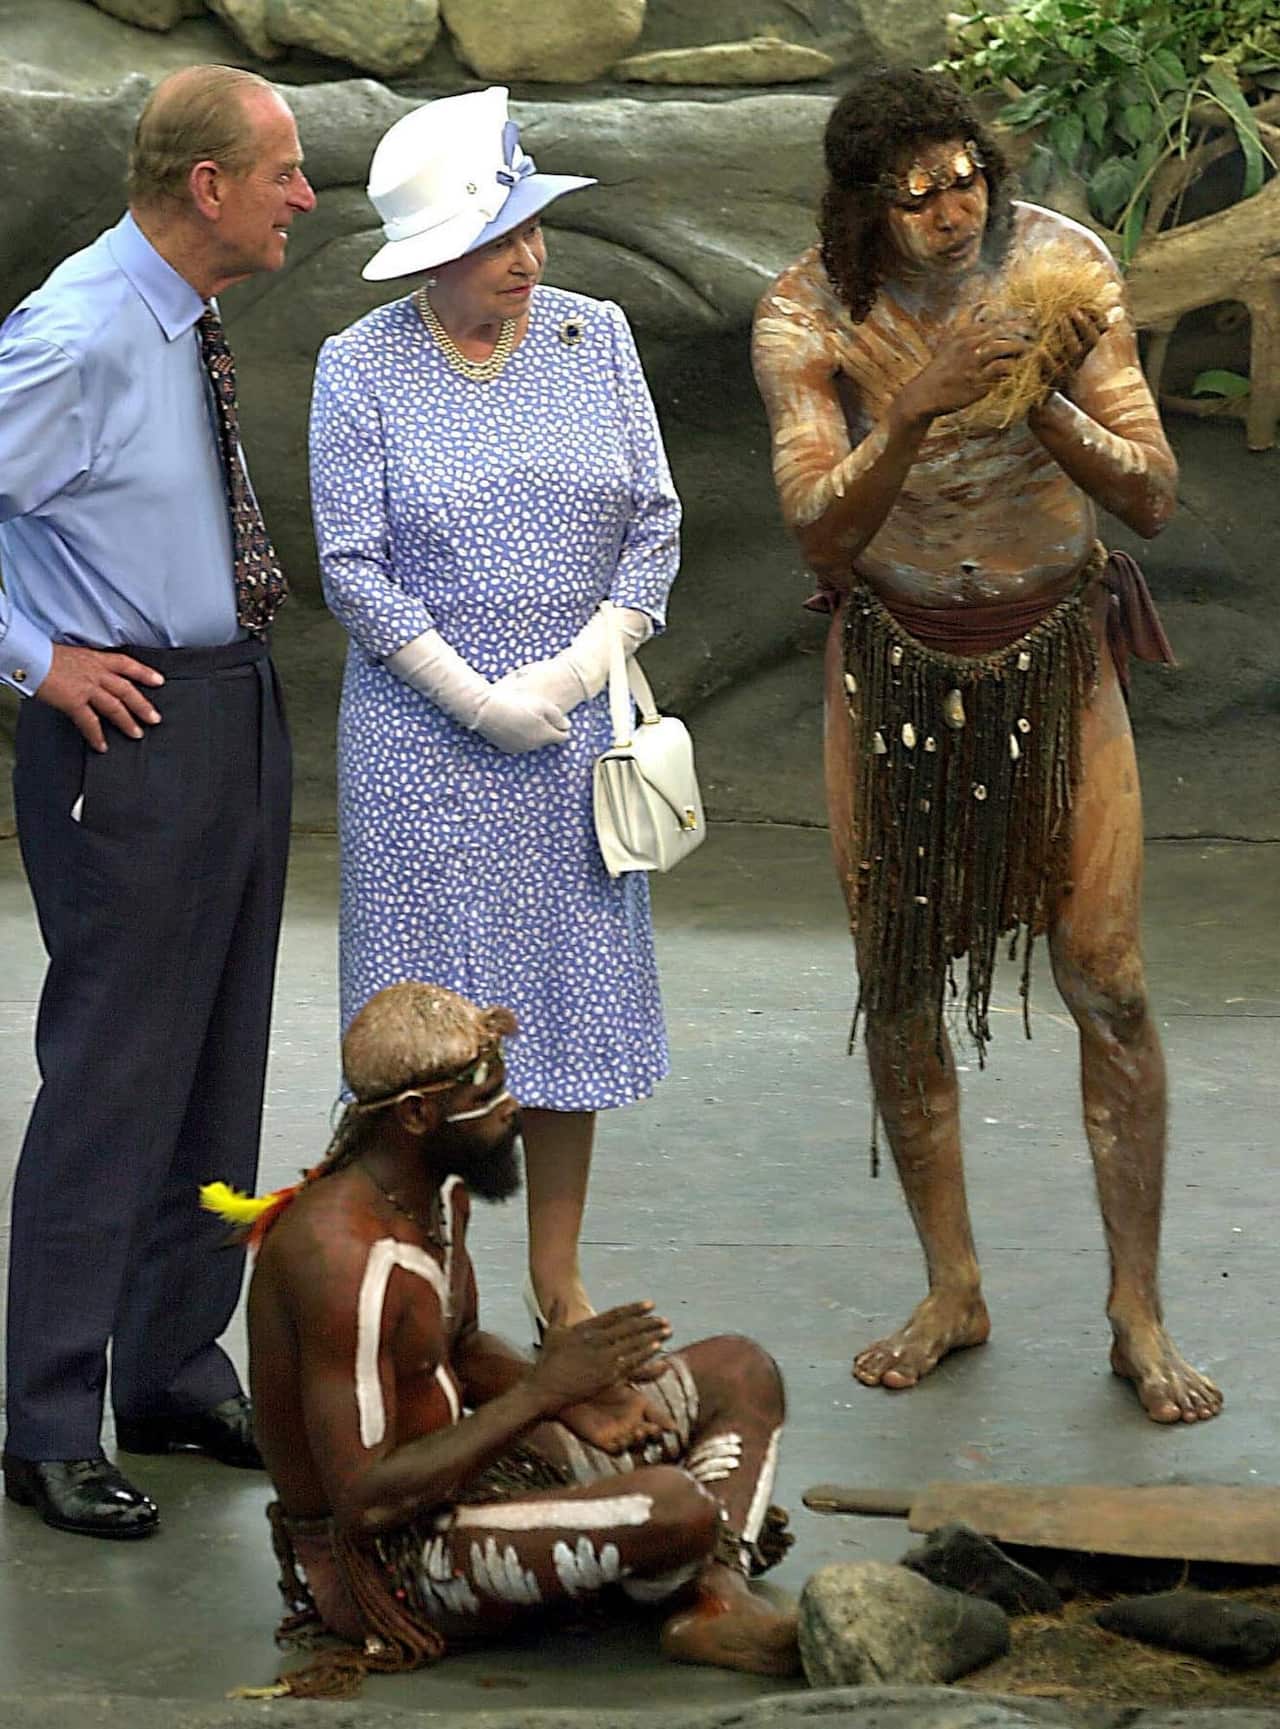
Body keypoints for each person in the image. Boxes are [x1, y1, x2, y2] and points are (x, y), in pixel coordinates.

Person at [751, 66, 1222, 1425]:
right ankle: (953, 1283)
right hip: (895, 659)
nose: (955, 210)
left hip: (1056, 653)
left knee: (1112, 979)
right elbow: (819, 533)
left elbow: (1155, 495)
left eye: (969, 179)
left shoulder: (1064, 271)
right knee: (898, 982)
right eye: (920, 191)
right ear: (866, 205)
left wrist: (1034, 398)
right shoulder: (806, 312)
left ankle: (1136, 1309)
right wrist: (911, 408)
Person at [310, 86, 681, 1340]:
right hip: (422, 747)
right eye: (498, 240)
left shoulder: (597, 335)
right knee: (431, 1033)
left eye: (533, 231)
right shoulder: (357, 365)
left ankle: (556, 1275)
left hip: (572, 733)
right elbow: (350, 564)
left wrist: (574, 675)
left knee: (565, 1001)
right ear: (433, 257)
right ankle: (427, 1278)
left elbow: (655, 522)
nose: (529, 259)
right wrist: (470, 696)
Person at [0, 65, 316, 1538]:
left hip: (228, 704)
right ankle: (47, 1418)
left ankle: (175, 1366)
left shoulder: (175, 321)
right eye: (284, 173)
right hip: (128, 729)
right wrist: (34, 656)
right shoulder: (76, 330)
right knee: (117, 1074)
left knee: (214, 1064)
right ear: (209, 187)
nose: (304, 199)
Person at [234, 981, 797, 1696]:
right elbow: (364, 1501)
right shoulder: (345, 1261)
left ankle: (715, 1597)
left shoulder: (438, 1194)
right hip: (389, 1563)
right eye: (489, 1095)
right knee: (675, 1507)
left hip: (466, 1479)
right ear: (417, 1114)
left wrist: (581, 1402)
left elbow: (459, 1345)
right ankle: (683, 1571)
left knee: (741, 1370)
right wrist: (542, 1392)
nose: (512, 1113)